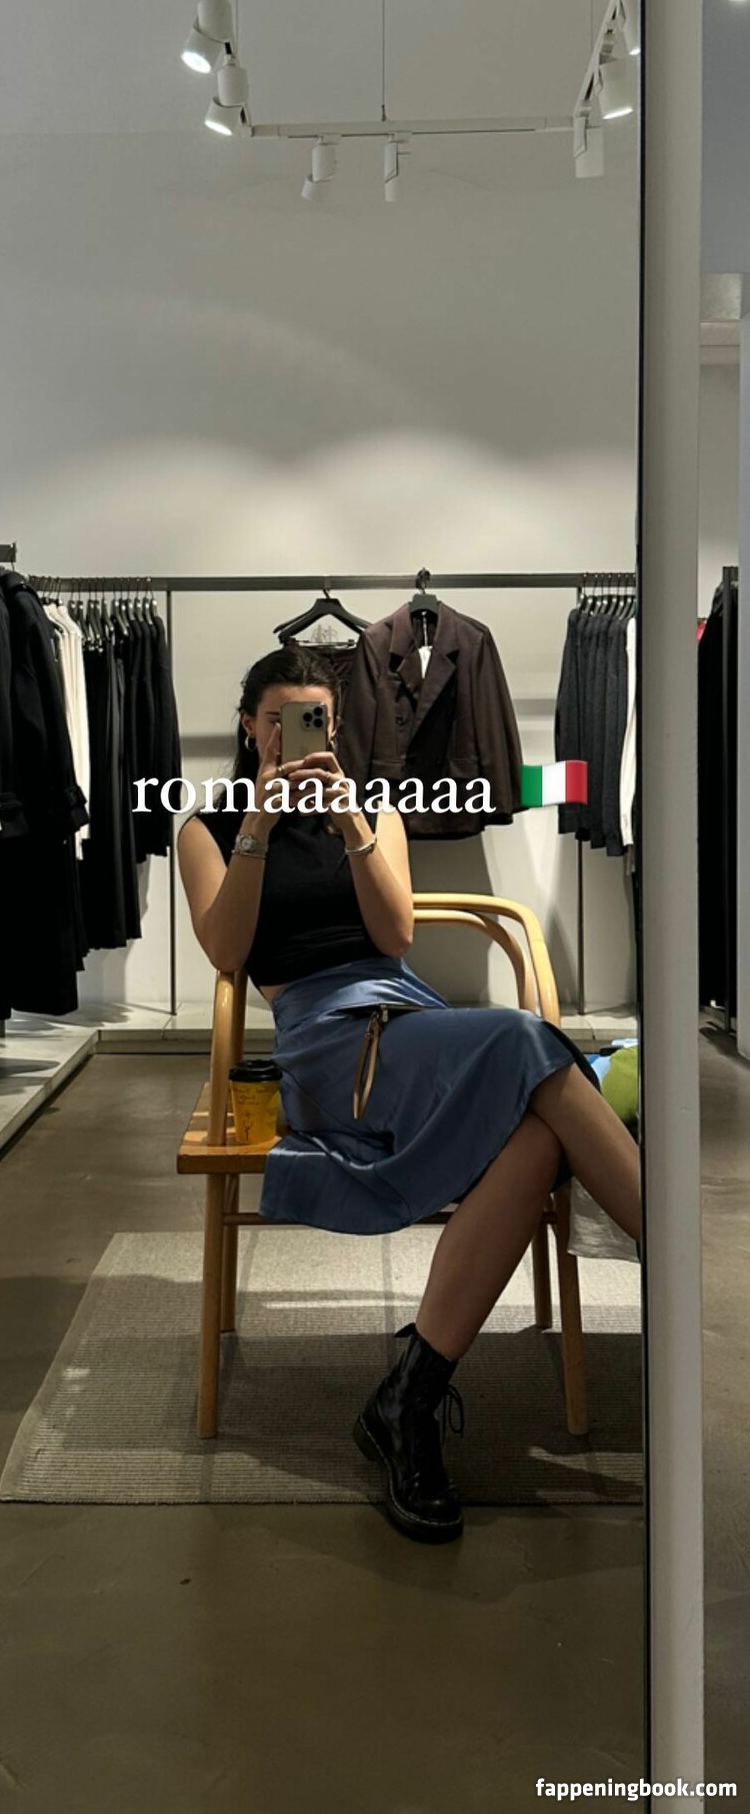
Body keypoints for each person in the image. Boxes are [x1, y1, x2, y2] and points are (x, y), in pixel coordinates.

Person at [178, 645, 642, 1546]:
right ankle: (677, 1273)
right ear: (248, 726)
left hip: (404, 1014)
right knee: (523, 1039)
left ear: (334, 727)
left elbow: (393, 936)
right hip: (323, 1043)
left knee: (537, 1139)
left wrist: (350, 822)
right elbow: (227, 953)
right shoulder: (212, 823)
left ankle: (410, 1398)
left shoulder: (373, 807)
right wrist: (259, 826)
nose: (294, 736)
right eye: (277, 720)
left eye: (313, 720)